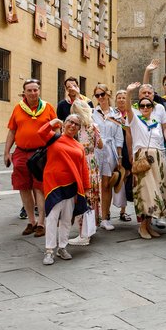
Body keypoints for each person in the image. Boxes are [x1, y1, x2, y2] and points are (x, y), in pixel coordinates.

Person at [4, 78, 56, 237]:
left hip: (41, 153)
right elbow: (12, 131)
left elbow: (56, 130)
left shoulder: (48, 108)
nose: (33, 93)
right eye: (30, 90)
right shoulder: (18, 108)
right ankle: (31, 221)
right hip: (21, 152)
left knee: (40, 187)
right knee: (23, 186)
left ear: (39, 91)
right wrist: (7, 152)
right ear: (24, 92)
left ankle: (41, 222)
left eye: (35, 90)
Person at [38, 115, 89, 265]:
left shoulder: (79, 146)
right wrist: (52, 123)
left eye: (76, 124)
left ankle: (62, 247)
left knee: (67, 219)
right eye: (70, 122)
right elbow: (40, 132)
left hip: (71, 186)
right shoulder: (53, 137)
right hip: (53, 185)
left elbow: (83, 168)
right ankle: (49, 251)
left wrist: (85, 188)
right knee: (52, 217)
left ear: (79, 129)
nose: (73, 125)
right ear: (64, 124)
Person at [124, 82, 166, 239]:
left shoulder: (156, 123)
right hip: (143, 157)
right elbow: (128, 109)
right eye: (142, 105)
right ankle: (142, 227)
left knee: (156, 192)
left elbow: (165, 132)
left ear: (152, 108)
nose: (145, 108)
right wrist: (129, 92)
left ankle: (149, 225)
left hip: (157, 159)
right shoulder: (136, 119)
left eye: (148, 106)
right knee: (145, 192)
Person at [66, 100, 103, 247]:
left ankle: (84, 234)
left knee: (81, 197)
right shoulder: (94, 126)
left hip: (80, 163)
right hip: (93, 164)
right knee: (92, 197)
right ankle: (90, 229)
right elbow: (100, 145)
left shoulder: (75, 129)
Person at [92, 85, 125, 231]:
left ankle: (105, 217)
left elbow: (119, 137)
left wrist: (119, 157)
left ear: (108, 94)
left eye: (102, 94)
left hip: (110, 151)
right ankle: (93, 218)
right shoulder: (92, 113)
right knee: (94, 186)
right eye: (97, 95)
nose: (100, 97)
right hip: (95, 151)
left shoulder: (116, 114)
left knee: (106, 185)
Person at [114, 90, 133, 222]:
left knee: (125, 176)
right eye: (119, 98)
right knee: (112, 179)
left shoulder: (132, 113)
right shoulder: (112, 113)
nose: (121, 100)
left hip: (127, 148)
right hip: (114, 147)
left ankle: (123, 210)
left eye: (124, 98)